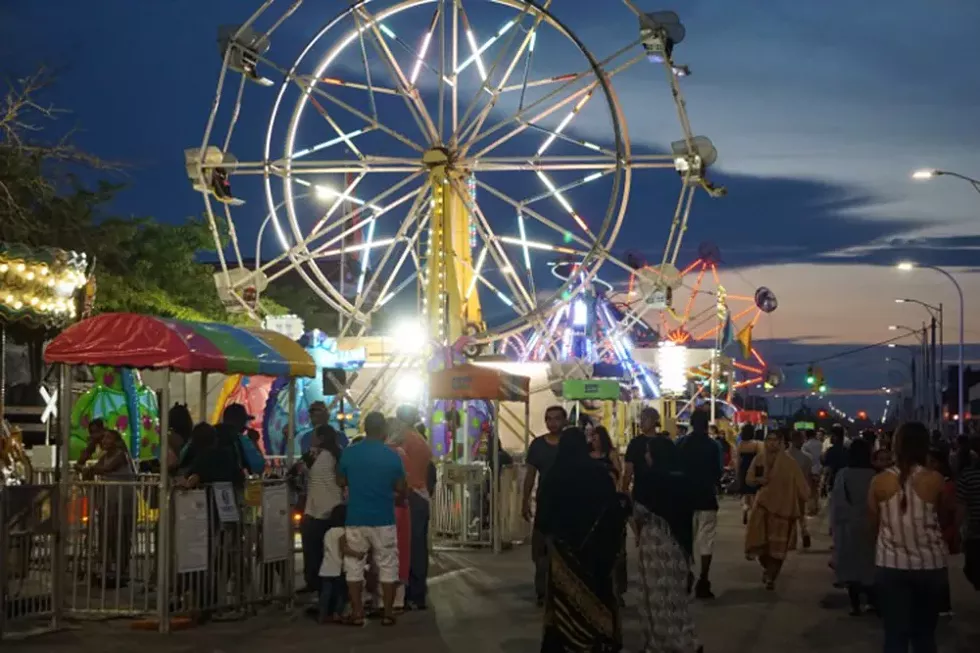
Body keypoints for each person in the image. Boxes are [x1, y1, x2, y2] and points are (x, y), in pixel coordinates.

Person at [536, 428, 629, 653]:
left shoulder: (553, 476)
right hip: (596, 551)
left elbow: (543, 517)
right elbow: (613, 512)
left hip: (564, 551)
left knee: (564, 600)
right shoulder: (599, 473)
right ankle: (597, 639)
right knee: (597, 593)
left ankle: (566, 643)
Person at [869, 422, 948, 653]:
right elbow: (943, 519)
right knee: (925, 635)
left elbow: (872, 525)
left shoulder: (880, 481)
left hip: (891, 565)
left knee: (895, 635)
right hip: (930, 565)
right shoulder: (935, 480)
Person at [633, 422, 702, 653]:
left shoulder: (648, 479)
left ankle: (660, 643)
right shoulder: (684, 478)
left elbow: (638, 512)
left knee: (655, 596)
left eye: (648, 452)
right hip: (678, 543)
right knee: (675, 596)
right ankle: (685, 640)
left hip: (654, 543)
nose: (646, 456)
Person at [338, 411, 407, 627]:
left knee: (354, 564)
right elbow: (400, 488)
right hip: (384, 518)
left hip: (356, 517)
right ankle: (387, 613)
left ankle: (358, 613)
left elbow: (340, 480)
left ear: (365, 428)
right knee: (387, 565)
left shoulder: (350, 453)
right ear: (384, 430)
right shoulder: (393, 457)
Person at [744, 429, 810, 590]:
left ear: (781, 443)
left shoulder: (790, 463)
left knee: (777, 549)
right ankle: (768, 570)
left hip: (783, 511)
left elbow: (803, 488)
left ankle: (771, 577)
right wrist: (759, 480)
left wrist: (808, 502)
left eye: (775, 440)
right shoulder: (759, 459)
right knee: (760, 545)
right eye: (769, 440)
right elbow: (749, 479)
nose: (772, 443)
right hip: (762, 508)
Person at [676, 408, 722, 599]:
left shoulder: (680, 443)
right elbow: (718, 472)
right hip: (706, 498)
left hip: (685, 499)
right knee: (706, 542)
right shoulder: (714, 446)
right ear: (706, 426)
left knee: (686, 540)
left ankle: (686, 573)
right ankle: (704, 579)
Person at [523, 405, 566, 606]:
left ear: (564, 420)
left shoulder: (571, 443)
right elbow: (530, 475)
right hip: (545, 505)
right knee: (540, 551)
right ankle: (542, 591)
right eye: (549, 418)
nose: (552, 423)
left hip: (568, 505)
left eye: (557, 418)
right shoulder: (538, 445)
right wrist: (524, 501)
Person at [81, 428, 136, 586]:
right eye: (103, 438)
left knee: (122, 536)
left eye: (108, 438)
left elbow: (105, 469)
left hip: (123, 501)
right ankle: (110, 570)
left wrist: (89, 469)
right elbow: (90, 467)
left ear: (116, 441)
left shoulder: (120, 455)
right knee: (108, 535)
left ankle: (122, 572)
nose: (105, 441)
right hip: (109, 501)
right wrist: (89, 449)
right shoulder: (105, 456)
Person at [393, 405, 433, 611]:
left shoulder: (403, 441)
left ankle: (410, 592)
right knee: (418, 546)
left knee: (409, 547)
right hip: (421, 495)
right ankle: (418, 593)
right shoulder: (420, 440)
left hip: (411, 495)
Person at [830, 438, 876, 615]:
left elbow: (837, 502)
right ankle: (871, 602)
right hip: (871, 524)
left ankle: (855, 605)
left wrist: (835, 525)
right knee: (870, 563)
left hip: (849, 524)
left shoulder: (843, 474)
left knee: (851, 565)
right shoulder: (874, 475)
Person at [300, 425, 344, 593]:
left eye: (314, 436)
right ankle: (331, 586)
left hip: (316, 510)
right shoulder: (338, 454)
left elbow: (297, 470)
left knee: (313, 552)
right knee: (332, 553)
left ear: (321, 438)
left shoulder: (316, 455)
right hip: (335, 509)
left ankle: (315, 584)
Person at [589, 424, 626, 605]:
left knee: (617, 552)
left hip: (609, 504)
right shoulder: (587, 456)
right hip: (592, 505)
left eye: (595, 437)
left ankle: (618, 591)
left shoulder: (611, 455)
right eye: (591, 437)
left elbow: (619, 476)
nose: (592, 441)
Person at [927, 446, 958, 617]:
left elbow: (948, 510)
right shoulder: (937, 482)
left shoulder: (946, 484)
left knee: (938, 567)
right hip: (937, 527)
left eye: (932, 462)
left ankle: (943, 604)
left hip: (942, 529)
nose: (928, 465)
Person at [385, 417, 412, 613]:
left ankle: (380, 599)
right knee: (399, 552)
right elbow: (404, 484)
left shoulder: (381, 452)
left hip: (382, 507)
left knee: (383, 553)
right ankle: (396, 600)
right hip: (399, 508)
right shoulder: (399, 454)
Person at [318, 503, 356, 624]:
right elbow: (344, 549)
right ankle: (336, 613)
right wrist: (357, 554)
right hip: (338, 567)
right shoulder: (343, 532)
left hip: (326, 568)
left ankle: (322, 615)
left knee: (326, 593)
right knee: (341, 593)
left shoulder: (328, 532)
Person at [956, 436, 980, 591]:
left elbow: (961, 507)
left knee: (973, 568)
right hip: (974, 531)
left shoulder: (967, 476)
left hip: (975, 531)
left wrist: (958, 531)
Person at [622, 407, 663, 498]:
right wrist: (625, 490)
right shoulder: (635, 443)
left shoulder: (664, 442)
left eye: (644, 419)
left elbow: (628, 471)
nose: (641, 423)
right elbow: (628, 471)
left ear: (653, 421)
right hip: (644, 495)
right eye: (641, 419)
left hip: (656, 496)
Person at [786, 430, 814, 549]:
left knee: (790, 516)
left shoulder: (784, 456)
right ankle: (804, 532)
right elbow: (808, 475)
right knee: (801, 514)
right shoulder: (807, 458)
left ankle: (792, 542)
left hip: (787, 489)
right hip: (801, 488)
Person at [736, 424, 763, 525]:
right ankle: (753, 514)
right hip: (754, 470)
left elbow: (738, 461)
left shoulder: (740, 444)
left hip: (743, 469)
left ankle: (745, 507)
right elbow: (761, 459)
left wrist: (737, 474)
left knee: (746, 494)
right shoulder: (757, 444)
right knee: (755, 494)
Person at [801, 429, 823, 514]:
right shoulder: (820, 444)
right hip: (818, 469)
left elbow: (805, 459)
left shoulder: (805, 445)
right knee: (816, 489)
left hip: (809, 470)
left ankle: (811, 509)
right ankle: (816, 506)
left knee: (810, 490)